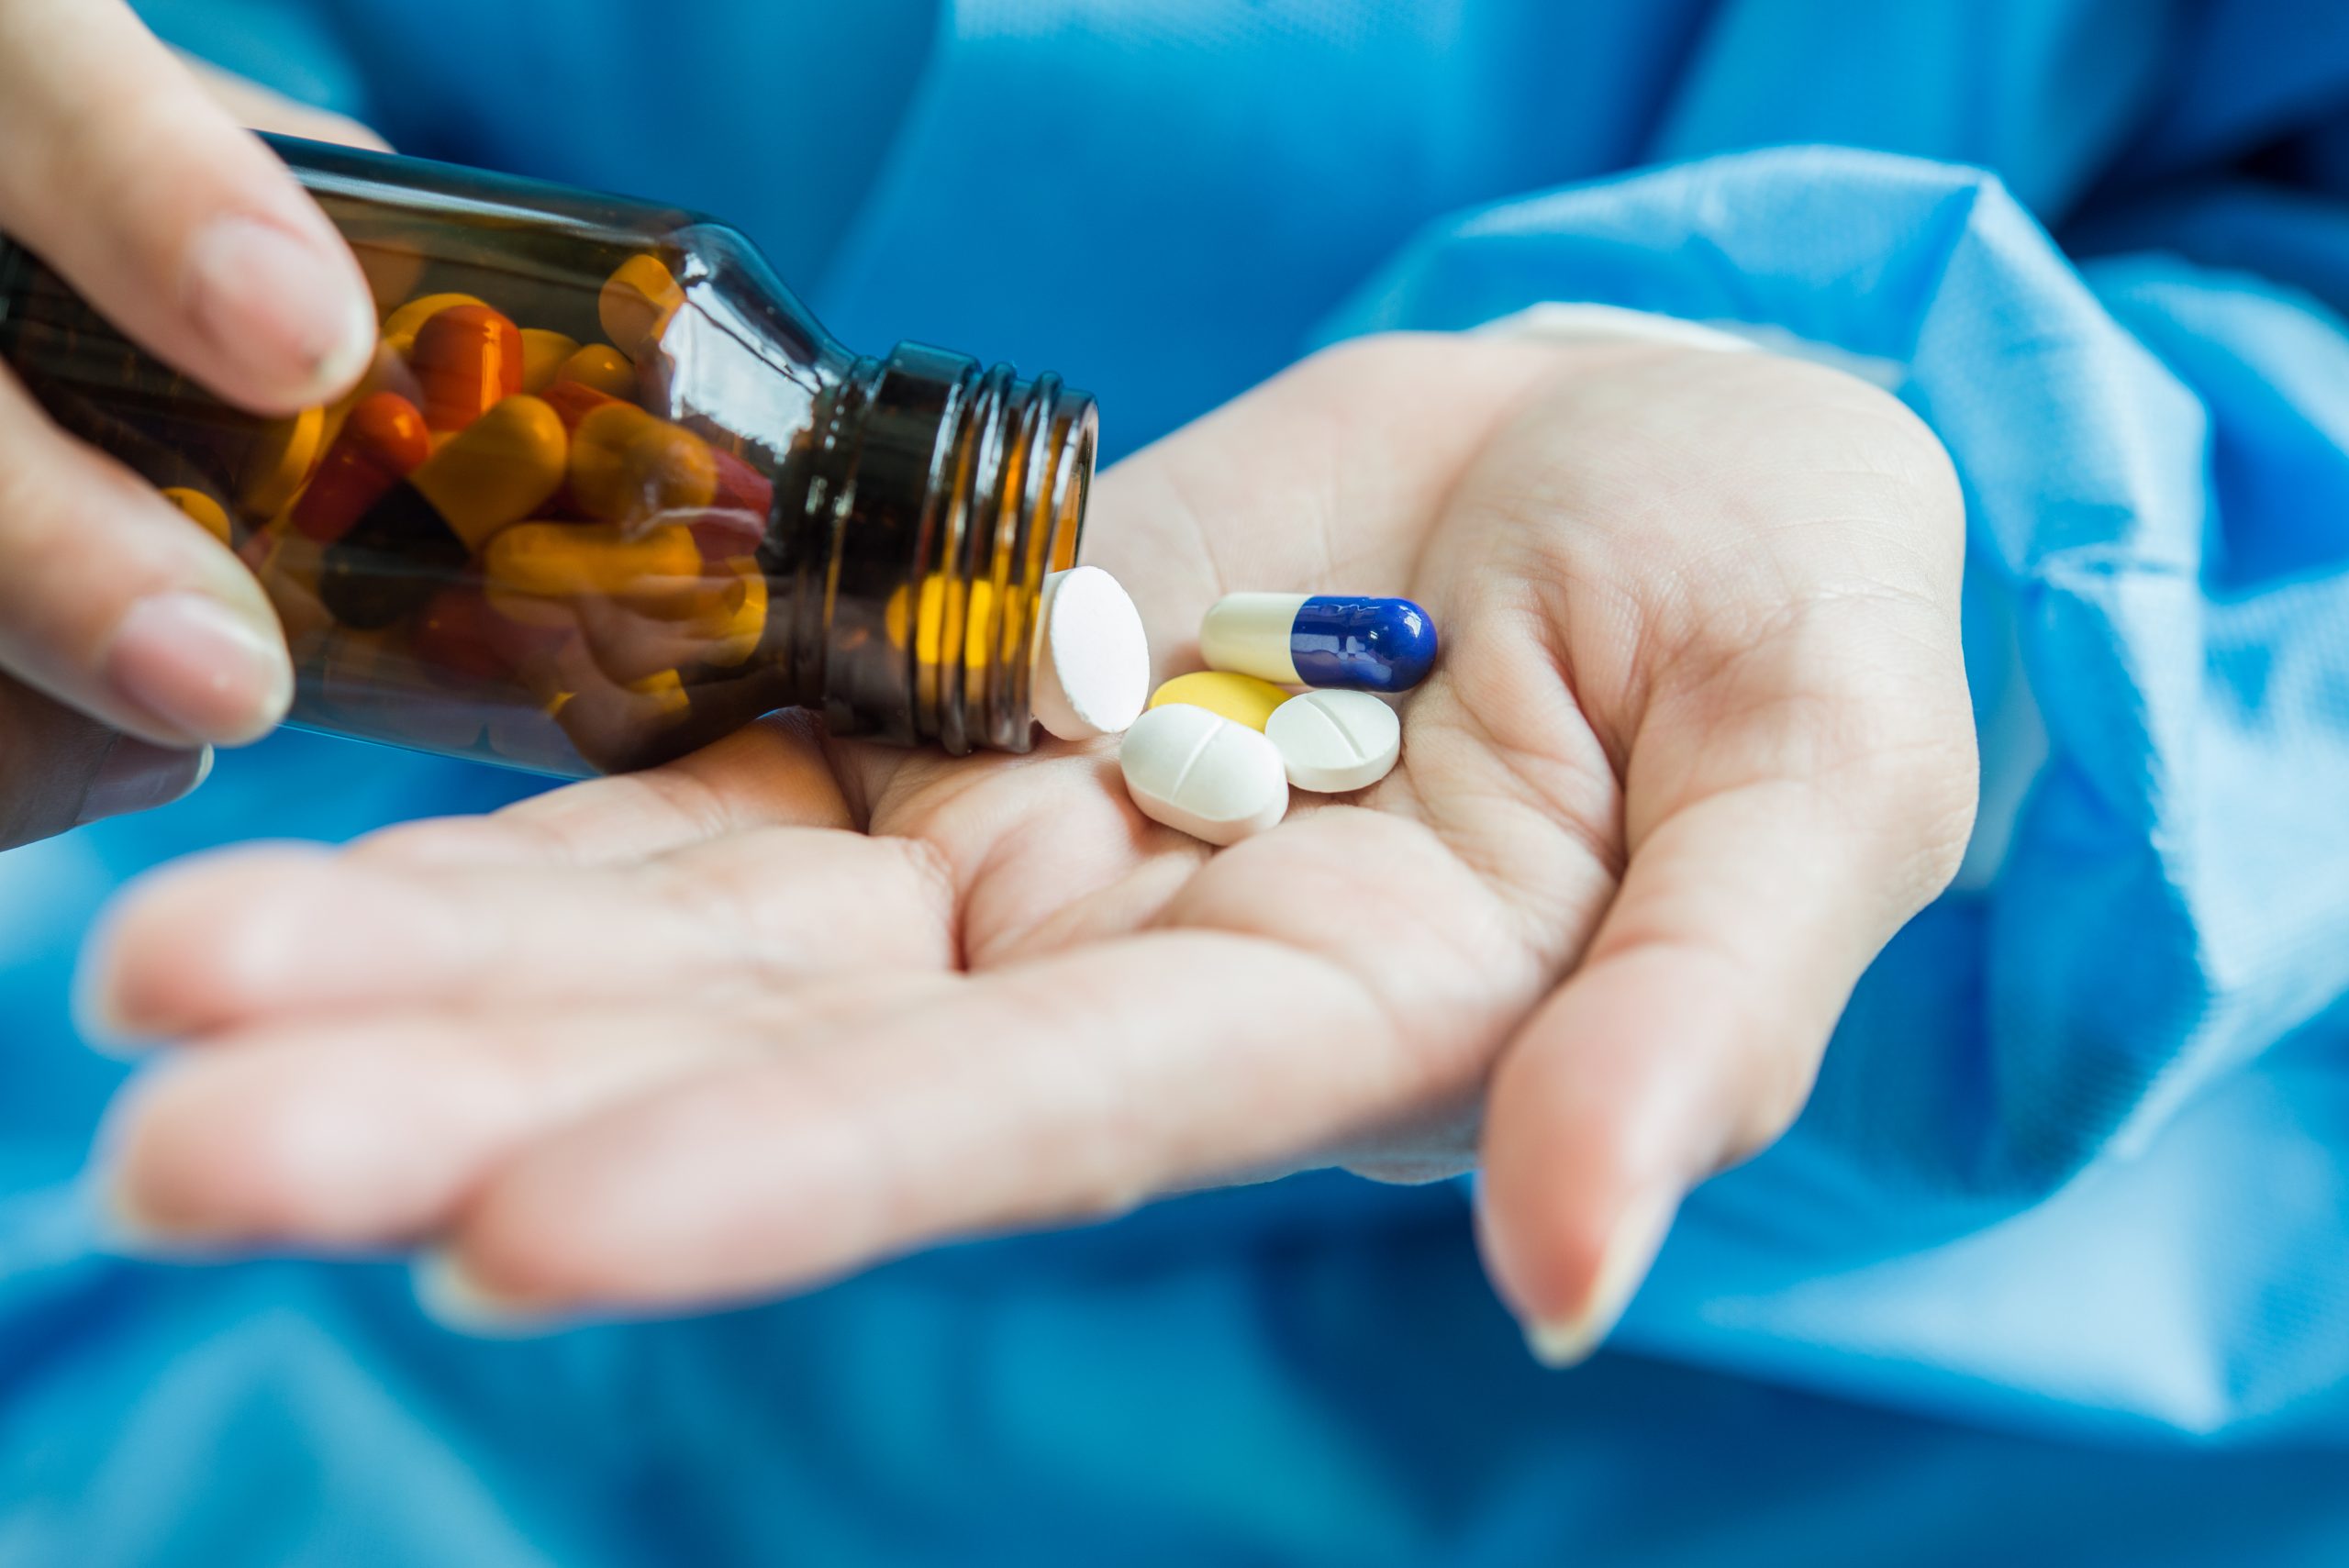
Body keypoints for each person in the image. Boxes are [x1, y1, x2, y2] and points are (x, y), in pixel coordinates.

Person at [2, 0, 2346, 1561]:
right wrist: (128, 186)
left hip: (1795, 1442)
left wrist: (2011, 536)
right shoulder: (678, 477)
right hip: (304, 1302)